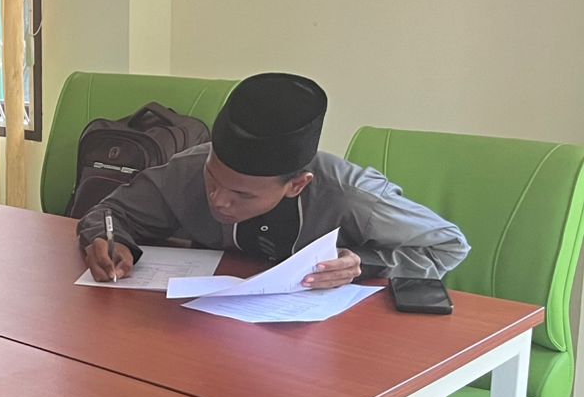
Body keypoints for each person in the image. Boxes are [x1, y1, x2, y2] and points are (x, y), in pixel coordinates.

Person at [78, 72, 470, 287]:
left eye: (242, 195)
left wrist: (362, 263)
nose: (219, 200)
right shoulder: (189, 169)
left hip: (328, 344)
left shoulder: (353, 197)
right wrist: (110, 239)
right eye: (213, 180)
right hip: (211, 326)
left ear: (296, 185)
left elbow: (448, 247)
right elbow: (110, 212)